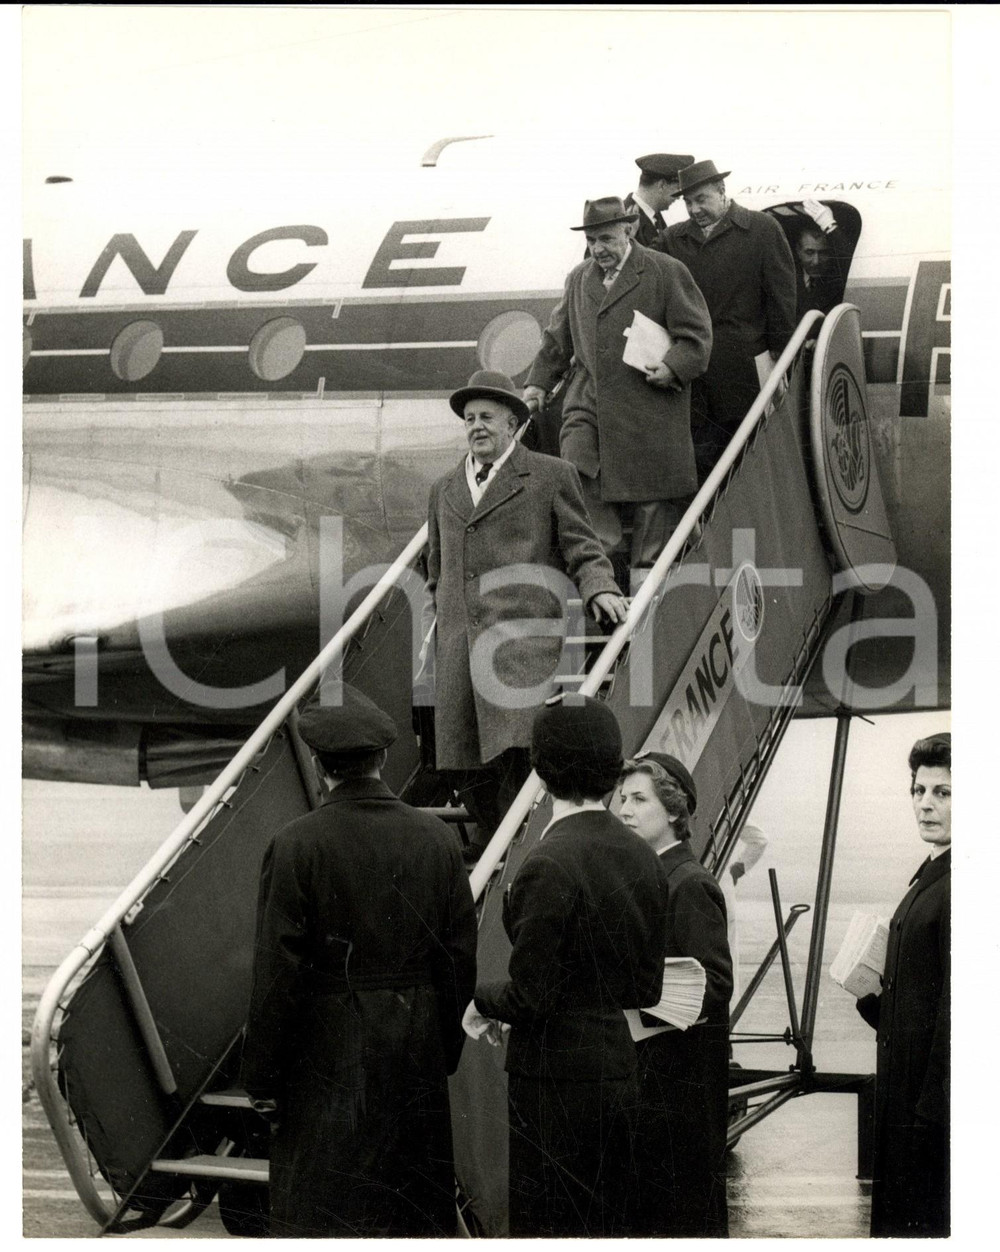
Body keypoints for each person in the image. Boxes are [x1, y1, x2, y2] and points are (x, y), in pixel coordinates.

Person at [241, 683, 478, 1237]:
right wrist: (440, 1049)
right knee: (409, 1214)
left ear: (320, 765)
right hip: (415, 1052)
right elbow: (459, 960)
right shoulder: (437, 840)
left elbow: (277, 972)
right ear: (385, 758)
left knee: (326, 1215)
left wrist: (263, 1078)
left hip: (324, 1060)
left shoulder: (295, 844)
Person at [465, 697, 667, 1237]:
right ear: (612, 770)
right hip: (618, 1070)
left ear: (540, 768)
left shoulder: (548, 862)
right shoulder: (645, 857)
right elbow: (647, 988)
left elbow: (532, 996)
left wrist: (480, 998)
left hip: (552, 1082)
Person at [424, 369, 627, 853]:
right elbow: (436, 567)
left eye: (487, 418)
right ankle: (499, 841)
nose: (476, 426)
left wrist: (600, 587)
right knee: (462, 763)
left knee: (518, 753)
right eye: (469, 419)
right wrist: (442, 622)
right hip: (460, 647)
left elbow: (583, 545)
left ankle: (517, 851)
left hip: (521, 647)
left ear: (513, 424)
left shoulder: (550, 476)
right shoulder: (444, 489)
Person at [524, 197, 712, 579]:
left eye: (606, 239)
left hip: (649, 407)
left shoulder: (664, 271)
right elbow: (557, 340)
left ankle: (645, 590)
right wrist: (537, 384)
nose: (598, 249)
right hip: (588, 404)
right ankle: (604, 575)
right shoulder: (579, 279)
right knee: (577, 473)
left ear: (629, 231)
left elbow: (696, 337)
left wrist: (673, 366)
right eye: (592, 241)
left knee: (651, 504)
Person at [618, 752, 733, 1237]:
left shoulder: (688, 883)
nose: (623, 808)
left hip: (680, 1086)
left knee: (679, 1212)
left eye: (638, 799)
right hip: (654, 1079)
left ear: (673, 811)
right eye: (621, 797)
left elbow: (716, 984)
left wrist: (635, 995)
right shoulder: (651, 877)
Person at [856, 732, 950, 1238]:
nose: (925, 804)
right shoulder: (932, 876)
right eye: (919, 791)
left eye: (944, 793)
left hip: (925, 1116)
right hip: (908, 1102)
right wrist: (874, 999)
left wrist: (930, 1116)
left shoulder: (962, 882)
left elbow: (959, 1013)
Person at [656, 159, 797, 483]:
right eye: (688, 202)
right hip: (695, 379)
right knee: (702, 464)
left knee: (753, 464)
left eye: (701, 199)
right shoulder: (672, 240)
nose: (694, 209)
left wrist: (781, 360)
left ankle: (747, 536)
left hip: (747, 372)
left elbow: (781, 300)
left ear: (722, 191)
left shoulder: (762, 229)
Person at [720, 823, 768, 1006]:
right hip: (721, 886)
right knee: (727, 961)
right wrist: (735, 871)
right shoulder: (721, 807)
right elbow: (760, 840)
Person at [624, 152, 694, 246]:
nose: (678, 197)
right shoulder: (623, 217)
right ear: (661, 185)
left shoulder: (655, 217)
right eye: (677, 188)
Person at [794, 224, 841, 319]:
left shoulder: (837, 280)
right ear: (798, 251)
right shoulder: (786, 278)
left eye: (823, 253)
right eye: (809, 253)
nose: (816, 261)